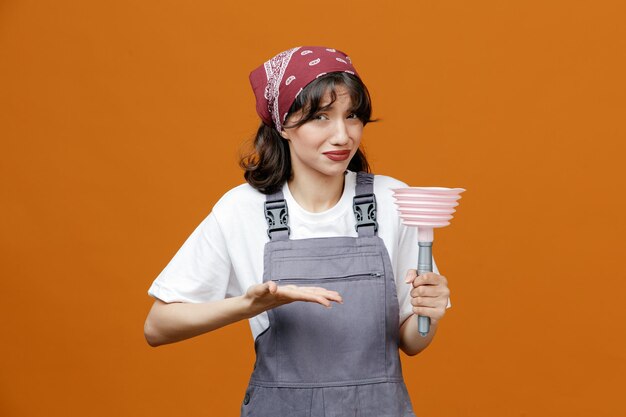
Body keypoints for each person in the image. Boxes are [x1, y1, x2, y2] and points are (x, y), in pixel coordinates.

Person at [144, 46, 452, 416]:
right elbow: (158, 327)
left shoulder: (393, 200)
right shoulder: (242, 210)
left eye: (352, 115)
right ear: (283, 125)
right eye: (321, 117)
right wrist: (248, 306)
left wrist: (428, 314)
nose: (342, 136)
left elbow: (412, 343)